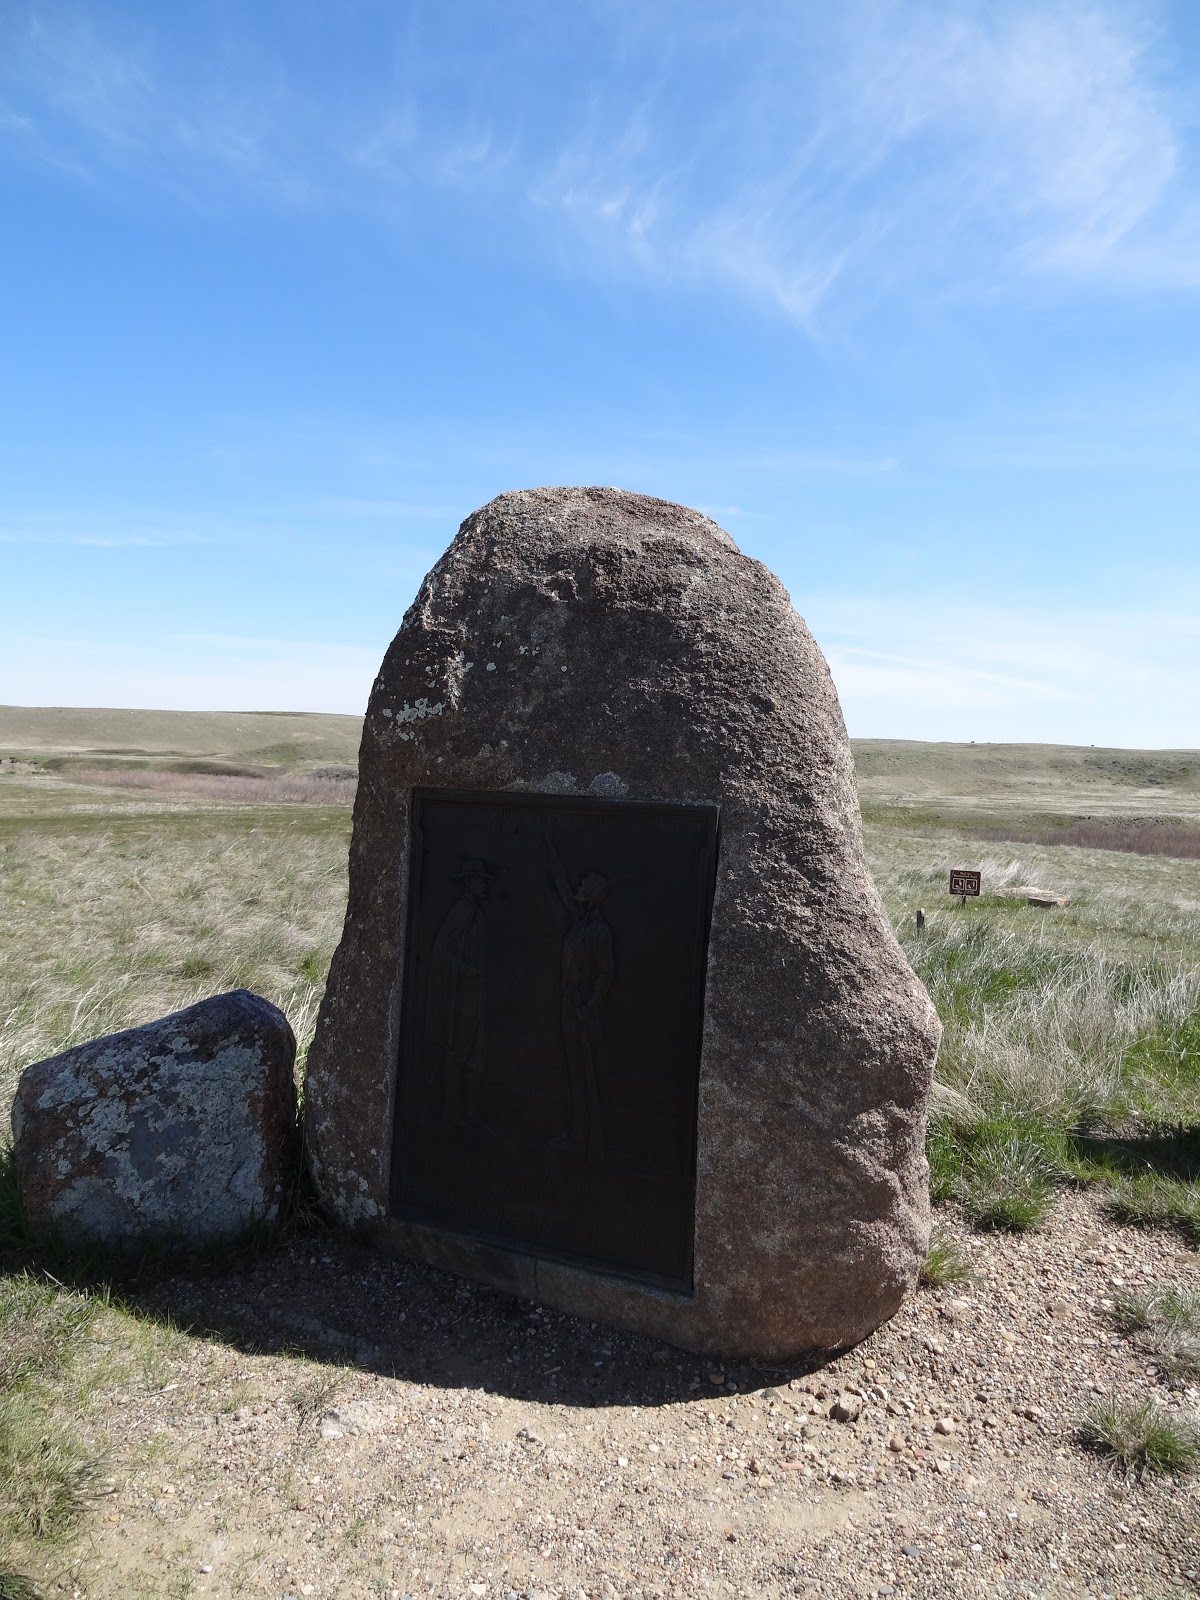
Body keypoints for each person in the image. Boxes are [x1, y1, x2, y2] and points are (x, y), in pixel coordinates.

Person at [546, 832, 613, 1161]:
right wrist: (551, 849)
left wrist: (589, 1007)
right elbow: (561, 885)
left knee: (587, 1076)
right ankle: (576, 1136)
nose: (577, 885)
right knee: (573, 1075)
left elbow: (606, 974)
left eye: (583, 884)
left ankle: (591, 1142)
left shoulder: (599, 931)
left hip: (584, 1011)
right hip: (568, 1006)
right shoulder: (578, 922)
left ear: (592, 895)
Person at [425, 857, 491, 1127]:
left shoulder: (476, 911)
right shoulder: (461, 911)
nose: (484, 885)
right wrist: (465, 970)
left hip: (478, 996)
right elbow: (441, 949)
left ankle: (471, 1113)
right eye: (480, 880)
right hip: (463, 997)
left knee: (477, 1058)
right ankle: (451, 1111)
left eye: (485, 880)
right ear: (468, 882)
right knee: (458, 1053)